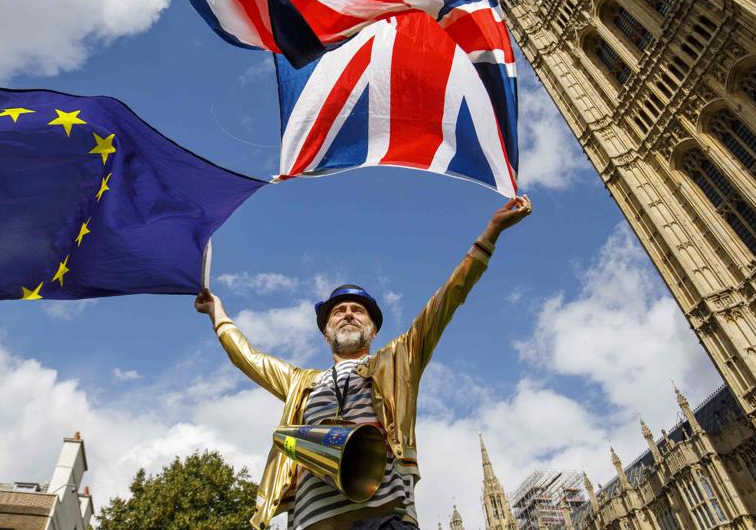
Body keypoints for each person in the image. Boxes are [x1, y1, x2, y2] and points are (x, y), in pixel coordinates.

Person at [195, 196, 532, 530]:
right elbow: (247, 357)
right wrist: (217, 312)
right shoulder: (301, 382)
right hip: (313, 523)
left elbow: (447, 299)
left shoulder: (398, 359)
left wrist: (491, 233)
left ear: (372, 330)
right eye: (338, 311)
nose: (348, 314)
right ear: (326, 333)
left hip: (383, 517)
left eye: (358, 310)